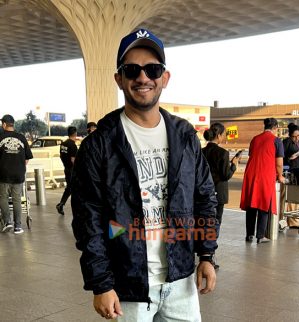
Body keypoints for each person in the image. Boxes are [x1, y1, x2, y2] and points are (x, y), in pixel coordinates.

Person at [71, 28, 217, 321]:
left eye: (152, 69)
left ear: (164, 77)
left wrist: (207, 255)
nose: (143, 77)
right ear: (119, 78)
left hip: (181, 281)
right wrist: (101, 283)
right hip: (128, 286)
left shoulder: (184, 135)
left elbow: (205, 198)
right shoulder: (99, 144)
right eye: (132, 70)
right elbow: (90, 220)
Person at [240, 118, 284, 244]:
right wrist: (280, 175)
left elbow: (253, 155)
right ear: (275, 127)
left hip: (251, 173)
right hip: (265, 175)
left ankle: (249, 235)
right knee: (263, 204)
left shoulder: (255, 139)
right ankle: (260, 236)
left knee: (252, 204)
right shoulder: (276, 140)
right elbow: (279, 163)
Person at [202, 122, 240, 268]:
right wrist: (234, 164)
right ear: (218, 135)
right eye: (223, 134)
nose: (223, 137)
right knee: (215, 224)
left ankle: (202, 253)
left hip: (203, 193)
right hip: (218, 195)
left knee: (203, 223)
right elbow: (226, 175)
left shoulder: (201, 151)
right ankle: (209, 256)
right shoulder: (223, 153)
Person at [0, 114, 33, 234]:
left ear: (4, 124)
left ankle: (7, 222)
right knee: (17, 199)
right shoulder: (22, 138)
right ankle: (18, 226)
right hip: (18, 174)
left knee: (3, 198)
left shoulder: (0, 137)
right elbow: (27, 158)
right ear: (13, 124)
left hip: (3, 173)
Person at [56, 126, 78, 216]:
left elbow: (61, 156)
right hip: (72, 170)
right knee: (74, 189)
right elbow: (73, 160)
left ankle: (61, 204)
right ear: (75, 134)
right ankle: (75, 208)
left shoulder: (63, 144)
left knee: (70, 188)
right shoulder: (72, 145)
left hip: (66, 168)